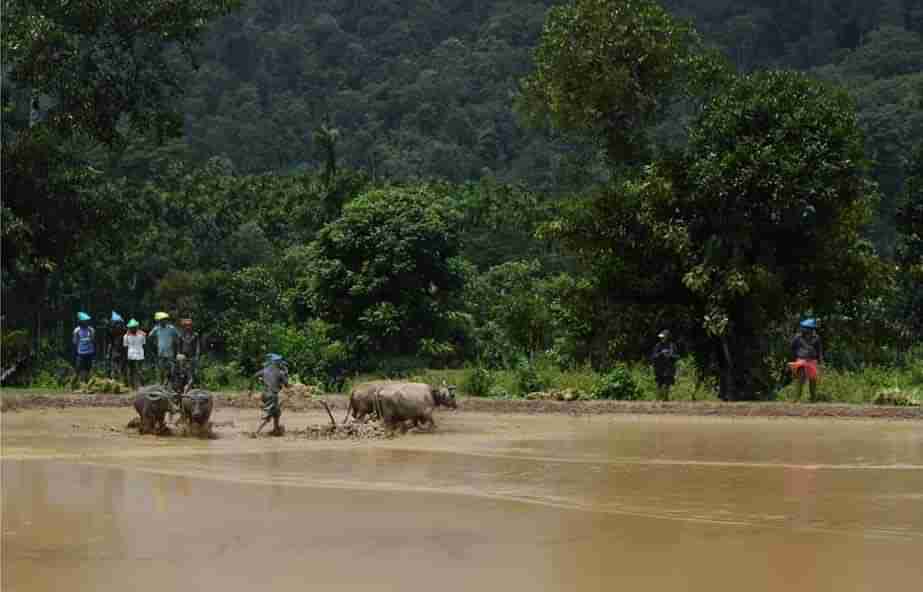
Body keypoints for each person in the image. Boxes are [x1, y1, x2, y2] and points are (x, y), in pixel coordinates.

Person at [249, 353, 289, 436]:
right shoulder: (280, 372)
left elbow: (253, 376)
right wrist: (286, 373)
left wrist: (251, 390)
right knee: (268, 415)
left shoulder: (265, 370)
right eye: (279, 362)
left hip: (264, 394)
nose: (280, 363)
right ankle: (255, 431)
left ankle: (276, 429)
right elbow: (286, 385)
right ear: (277, 362)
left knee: (277, 412)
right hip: (272, 396)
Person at [789, 318, 824, 402]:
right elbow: (792, 347)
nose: (803, 329)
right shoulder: (797, 337)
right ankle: (796, 398)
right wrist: (795, 357)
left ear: (811, 329)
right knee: (801, 378)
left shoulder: (816, 338)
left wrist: (821, 363)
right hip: (801, 360)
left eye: (805, 327)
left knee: (813, 380)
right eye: (803, 327)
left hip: (812, 361)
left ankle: (813, 399)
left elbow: (819, 351)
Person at [148, 312, 179, 385]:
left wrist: (175, 344)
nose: (163, 321)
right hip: (160, 352)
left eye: (164, 320)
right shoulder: (157, 328)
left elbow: (178, 336)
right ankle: (161, 384)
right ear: (159, 321)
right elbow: (149, 336)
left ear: (166, 320)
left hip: (170, 352)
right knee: (161, 369)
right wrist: (155, 343)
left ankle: (169, 383)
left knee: (171, 369)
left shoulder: (171, 328)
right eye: (161, 320)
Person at [651, 330, 679, 400]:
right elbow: (653, 356)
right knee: (659, 384)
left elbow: (676, 357)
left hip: (669, 368)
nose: (662, 339)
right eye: (661, 337)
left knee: (667, 384)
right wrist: (661, 354)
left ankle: (666, 398)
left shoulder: (672, 346)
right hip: (659, 368)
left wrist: (669, 355)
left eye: (664, 337)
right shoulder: (658, 346)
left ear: (667, 337)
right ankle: (658, 398)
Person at [72, 312, 96, 384]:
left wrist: (89, 338)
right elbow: (75, 342)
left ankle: (86, 384)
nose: (86, 323)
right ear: (81, 322)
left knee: (88, 369)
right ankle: (74, 383)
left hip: (89, 352)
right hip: (81, 352)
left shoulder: (91, 330)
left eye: (87, 321)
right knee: (78, 368)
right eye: (85, 321)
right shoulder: (77, 330)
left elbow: (93, 340)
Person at [123, 319, 146, 388]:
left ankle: (140, 385)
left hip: (138, 355)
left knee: (137, 371)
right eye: (131, 327)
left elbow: (125, 347)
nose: (133, 329)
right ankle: (134, 386)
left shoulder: (141, 335)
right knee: (133, 371)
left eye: (134, 327)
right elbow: (126, 347)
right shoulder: (126, 336)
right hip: (132, 355)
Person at [177, 318, 201, 382]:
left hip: (192, 356)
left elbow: (197, 346)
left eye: (189, 325)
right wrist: (178, 354)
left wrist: (197, 356)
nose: (188, 327)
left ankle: (190, 385)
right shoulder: (181, 335)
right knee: (181, 372)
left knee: (191, 372)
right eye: (186, 325)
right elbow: (178, 346)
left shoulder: (195, 335)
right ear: (184, 326)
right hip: (183, 356)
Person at [106, 312, 127, 381]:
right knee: (114, 366)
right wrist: (108, 353)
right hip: (115, 351)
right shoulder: (111, 332)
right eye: (116, 324)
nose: (118, 325)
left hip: (123, 351)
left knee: (122, 368)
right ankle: (114, 380)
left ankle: (123, 381)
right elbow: (110, 343)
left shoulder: (124, 331)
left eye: (119, 324)